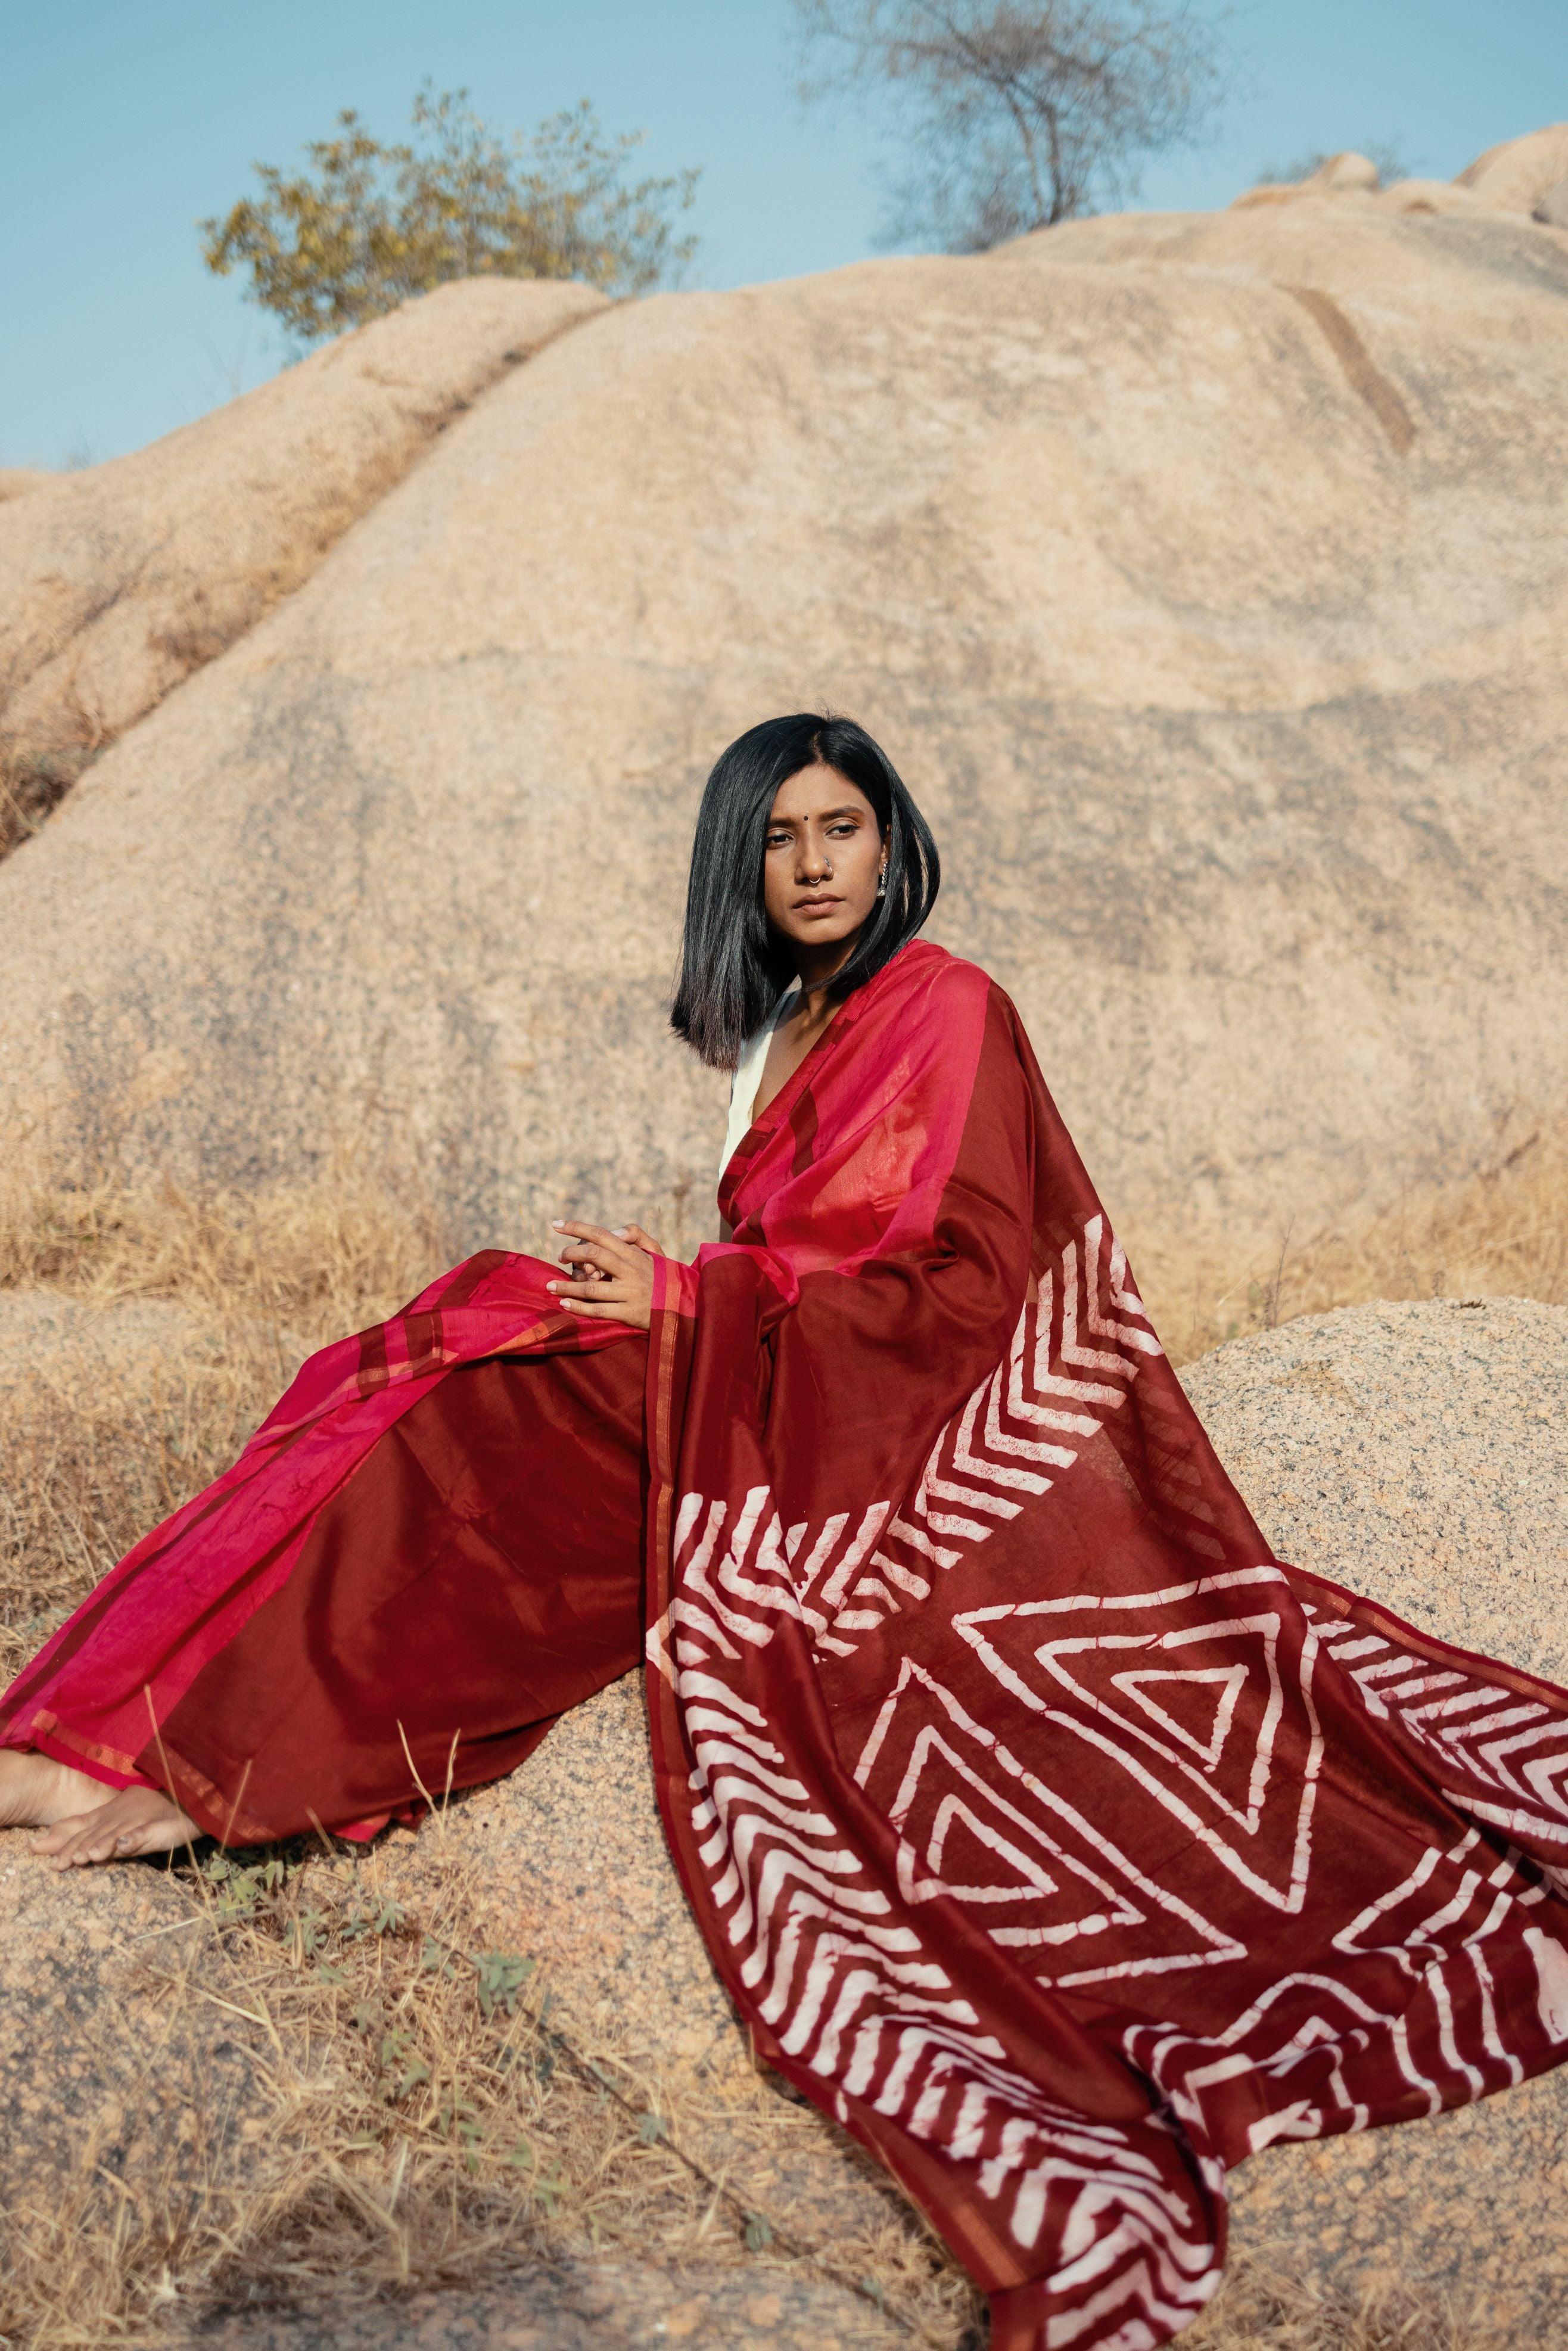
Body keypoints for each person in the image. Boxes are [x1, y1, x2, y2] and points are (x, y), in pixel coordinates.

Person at [3, 711, 1567, 2351]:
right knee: (423, 1349)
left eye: (844, 830)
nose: (816, 864)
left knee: (474, 1403)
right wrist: (684, 1303)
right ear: (739, 860)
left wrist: (689, 1298)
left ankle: (207, 1759)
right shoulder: (794, 1024)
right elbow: (807, 1248)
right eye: (782, 837)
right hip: (764, 1388)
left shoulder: (951, 1005)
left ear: (892, 843)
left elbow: (952, 1281)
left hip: (871, 1441)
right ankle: (100, 1725)